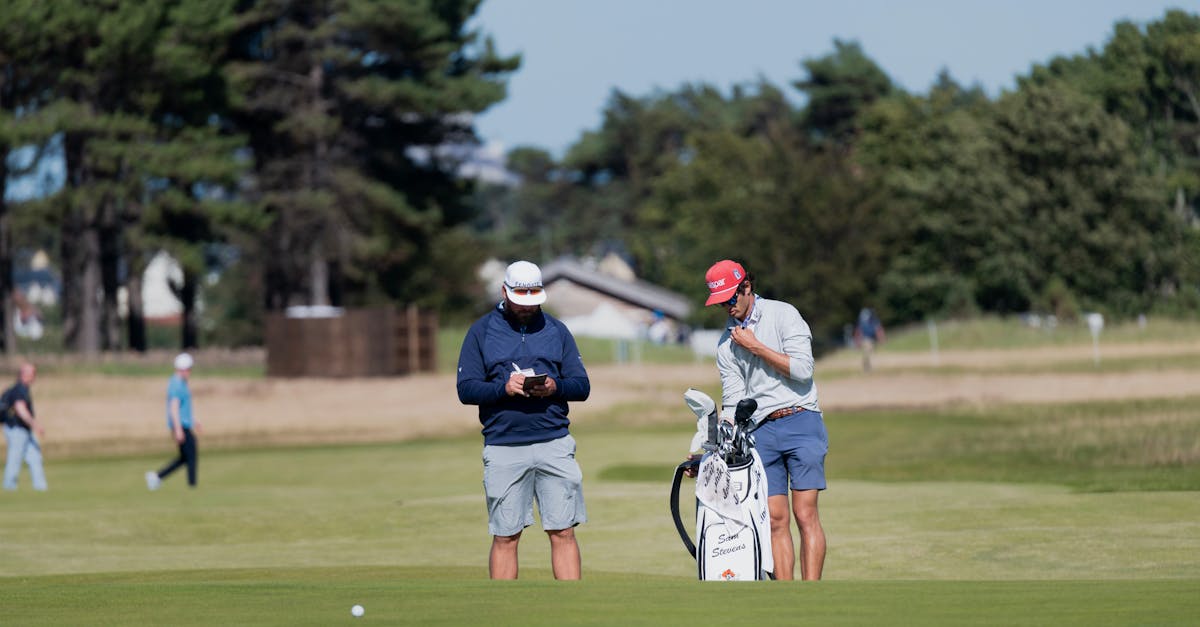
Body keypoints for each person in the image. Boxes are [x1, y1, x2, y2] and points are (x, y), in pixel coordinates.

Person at [456, 260, 591, 580]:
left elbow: (581, 386)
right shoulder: (481, 331)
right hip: (503, 445)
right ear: (504, 291)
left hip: (554, 442)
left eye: (533, 299)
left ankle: (572, 609)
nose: (528, 307)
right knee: (505, 535)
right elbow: (466, 389)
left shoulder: (556, 330)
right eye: (521, 299)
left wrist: (554, 387)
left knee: (563, 531)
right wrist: (504, 388)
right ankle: (506, 611)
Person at [703, 259, 827, 580]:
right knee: (774, 518)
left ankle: (812, 595)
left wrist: (755, 346)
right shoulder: (725, 346)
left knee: (805, 513)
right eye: (720, 303)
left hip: (801, 419)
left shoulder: (783, 314)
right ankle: (787, 601)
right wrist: (715, 441)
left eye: (730, 299)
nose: (727, 308)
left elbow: (803, 370)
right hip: (761, 432)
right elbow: (732, 400)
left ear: (746, 287)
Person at [146, 352, 202, 490]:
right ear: (181, 369)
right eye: (188, 369)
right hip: (180, 426)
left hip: (185, 424)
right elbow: (174, 408)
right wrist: (178, 429)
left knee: (184, 457)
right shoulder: (176, 384)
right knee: (191, 455)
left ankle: (157, 477)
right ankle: (192, 486)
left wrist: (194, 421)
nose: (189, 372)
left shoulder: (182, 383)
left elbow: (185, 408)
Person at [2, 362, 47, 491]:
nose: (34, 376)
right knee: (14, 459)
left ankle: (41, 488)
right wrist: (36, 425)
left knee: (35, 457)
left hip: (24, 430)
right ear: (25, 375)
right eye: (33, 373)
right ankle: (9, 488)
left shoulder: (21, 388)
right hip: (17, 429)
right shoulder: (19, 389)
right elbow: (20, 409)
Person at [853, 307, 886, 372]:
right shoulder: (862, 323)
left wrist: (881, 338)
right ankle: (868, 367)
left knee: (869, 353)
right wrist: (857, 341)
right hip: (866, 340)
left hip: (872, 339)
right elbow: (858, 332)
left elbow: (878, 330)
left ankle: (867, 366)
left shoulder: (874, 321)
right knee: (868, 352)